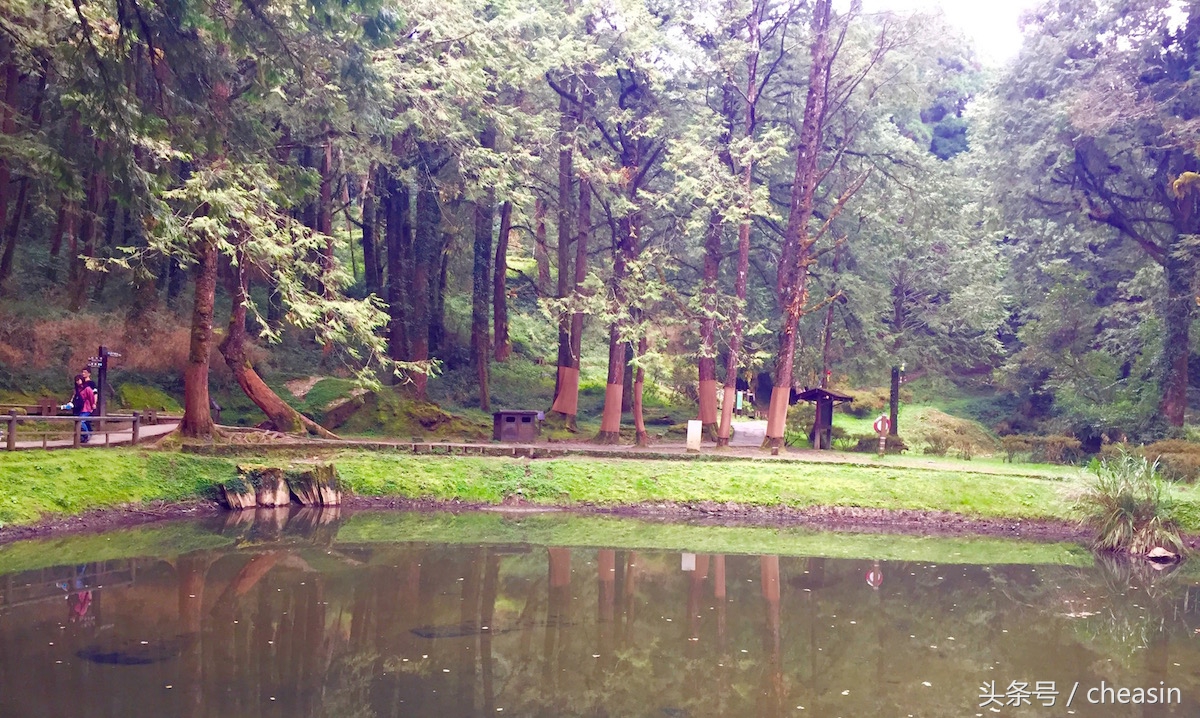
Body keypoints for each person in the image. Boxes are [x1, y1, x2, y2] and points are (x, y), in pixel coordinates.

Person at [61, 374, 96, 443]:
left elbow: (91, 397)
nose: (78, 382)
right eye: (76, 380)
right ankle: (83, 437)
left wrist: (92, 405)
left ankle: (86, 434)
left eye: (79, 380)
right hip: (79, 408)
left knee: (81, 422)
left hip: (86, 408)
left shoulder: (87, 388)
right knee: (80, 422)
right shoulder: (76, 390)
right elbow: (73, 398)